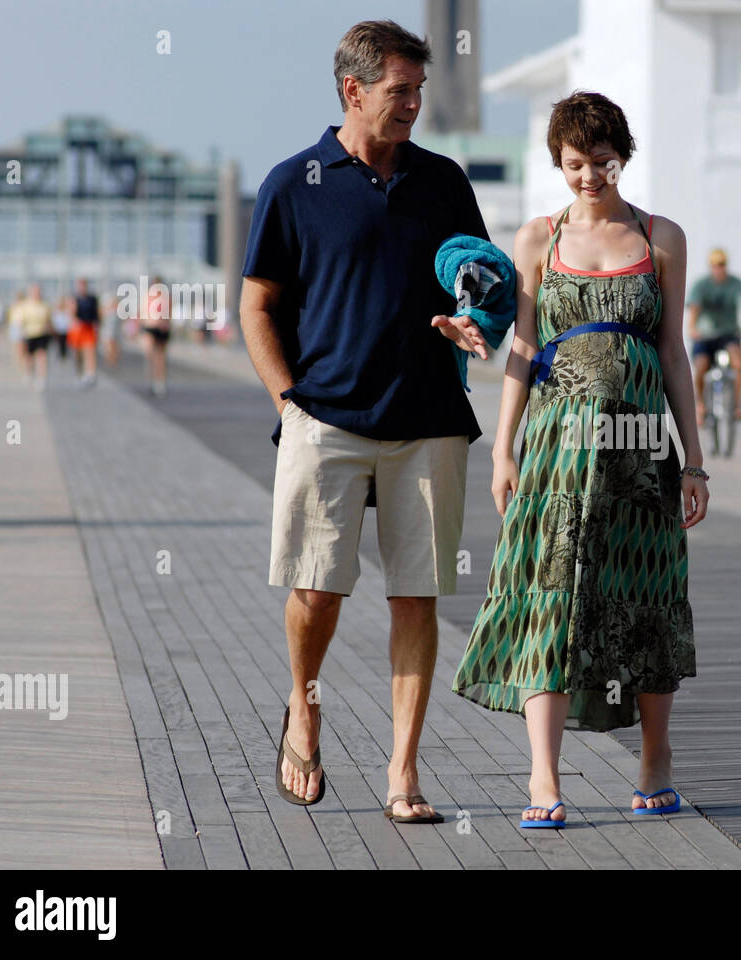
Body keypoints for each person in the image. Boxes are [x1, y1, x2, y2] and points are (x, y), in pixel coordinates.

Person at [239, 19, 491, 819]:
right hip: (326, 418)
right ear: (353, 90)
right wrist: (287, 402)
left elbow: (478, 279)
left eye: (419, 90)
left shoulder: (444, 181)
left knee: (417, 596)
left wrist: (471, 318)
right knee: (317, 590)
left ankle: (403, 774)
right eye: (400, 90)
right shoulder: (293, 184)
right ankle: (304, 705)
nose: (415, 103)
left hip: (430, 419)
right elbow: (256, 305)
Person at [452, 91, 706, 828]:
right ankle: (543, 778)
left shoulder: (661, 237)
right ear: (557, 164)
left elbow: (673, 353)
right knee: (552, 596)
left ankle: (654, 759)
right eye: (574, 164)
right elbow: (523, 348)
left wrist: (694, 461)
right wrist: (502, 450)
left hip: (641, 452)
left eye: (602, 161)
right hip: (557, 455)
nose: (589, 176)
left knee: (647, 595)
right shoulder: (537, 239)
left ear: (623, 157)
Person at [687, 248, 741, 422]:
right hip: (705, 335)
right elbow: (694, 308)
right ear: (710, 266)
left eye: (722, 265)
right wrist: (692, 328)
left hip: (728, 334)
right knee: (701, 366)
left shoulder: (736, 284)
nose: (719, 268)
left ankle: (737, 405)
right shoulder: (701, 285)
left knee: (738, 362)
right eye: (715, 265)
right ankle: (700, 405)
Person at [12, 283, 53, 390]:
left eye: (38, 292)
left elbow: (49, 320)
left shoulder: (44, 305)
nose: (37, 294)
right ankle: (28, 373)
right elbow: (19, 321)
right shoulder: (25, 305)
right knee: (29, 357)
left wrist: (51, 331)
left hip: (42, 334)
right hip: (29, 334)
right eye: (34, 292)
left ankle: (41, 378)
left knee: (41, 356)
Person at [141, 276, 170, 396]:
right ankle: (152, 380)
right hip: (150, 327)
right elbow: (143, 312)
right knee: (150, 355)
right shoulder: (148, 297)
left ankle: (160, 382)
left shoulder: (165, 297)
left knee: (160, 357)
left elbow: (168, 313)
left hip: (162, 328)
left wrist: (166, 322)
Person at [69, 277, 100, 387]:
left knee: (90, 351)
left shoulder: (92, 299)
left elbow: (97, 314)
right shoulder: (75, 299)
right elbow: (71, 314)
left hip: (89, 327)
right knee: (78, 353)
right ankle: (80, 373)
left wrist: (97, 326)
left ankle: (90, 373)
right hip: (78, 329)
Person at [51, 294, 72, 363]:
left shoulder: (66, 311)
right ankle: (61, 357)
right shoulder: (56, 312)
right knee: (60, 345)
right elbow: (54, 321)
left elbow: (69, 321)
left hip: (66, 331)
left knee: (66, 345)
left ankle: (65, 357)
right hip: (59, 331)